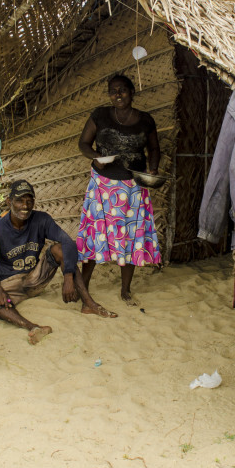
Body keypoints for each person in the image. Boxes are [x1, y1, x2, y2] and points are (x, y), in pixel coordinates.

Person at [0, 179, 116, 345]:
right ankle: (33, 327)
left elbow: (68, 242)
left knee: (59, 249)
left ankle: (89, 304)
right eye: (19, 201)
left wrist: (68, 277)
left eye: (29, 201)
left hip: (34, 277)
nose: (25, 206)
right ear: (9, 202)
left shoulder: (41, 219)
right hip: (9, 283)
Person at [76, 74, 161, 305]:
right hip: (102, 186)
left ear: (132, 92)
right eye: (113, 91)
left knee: (131, 237)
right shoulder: (100, 115)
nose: (118, 95)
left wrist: (152, 169)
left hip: (133, 188)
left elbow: (154, 148)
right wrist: (97, 157)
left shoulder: (145, 120)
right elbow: (83, 143)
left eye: (123, 90)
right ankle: (83, 286)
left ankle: (125, 290)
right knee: (95, 234)